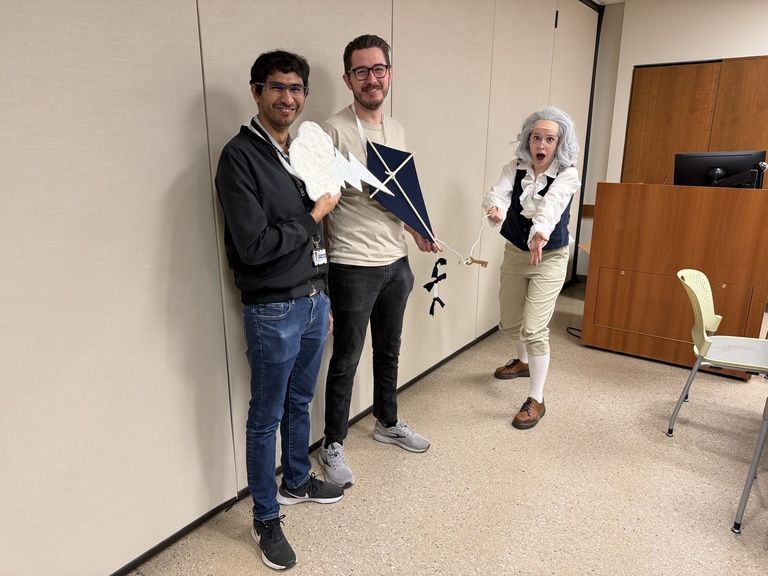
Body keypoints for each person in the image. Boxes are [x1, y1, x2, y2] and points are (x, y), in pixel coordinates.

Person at [214, 49, 343, 571]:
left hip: (312, 300)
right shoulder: (239, 157)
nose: (287, 98)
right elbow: (254, 246)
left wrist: (324, 293)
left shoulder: (304, 149)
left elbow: (319, 237)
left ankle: (296, 480)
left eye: (296, 89)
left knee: (300, 400)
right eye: (276, 87)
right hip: (272, 308)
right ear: (256, 91)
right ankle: (265, 516)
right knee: (265, 416)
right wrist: (314, 213)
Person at [318, 34, 440, 488]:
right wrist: (322, 275)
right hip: (352, 263)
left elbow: (398, 197)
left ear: (390, 74)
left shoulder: (397, 130)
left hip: (397, 263)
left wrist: (416, 229)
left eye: (379, 69)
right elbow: (321, 204)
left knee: (389, 350)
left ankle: (387, 421)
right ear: (347, 77)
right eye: (361, 71)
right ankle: (333, 443)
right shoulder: (332, 130)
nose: (371, 79)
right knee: (346, 359)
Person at [483, 106, 580, 430]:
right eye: (536, 137)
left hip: (548, 256)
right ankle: (523, 362)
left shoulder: (567, 175)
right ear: (528, 139)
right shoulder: (515, 168)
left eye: (549, 139)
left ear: (559, 143)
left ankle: (536, 398)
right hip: (515, 252)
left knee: (535, 329)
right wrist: (495, 209)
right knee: (511, 322)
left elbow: (552, 207)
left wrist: (539, 233)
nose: (541, 144)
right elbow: (498, 193)